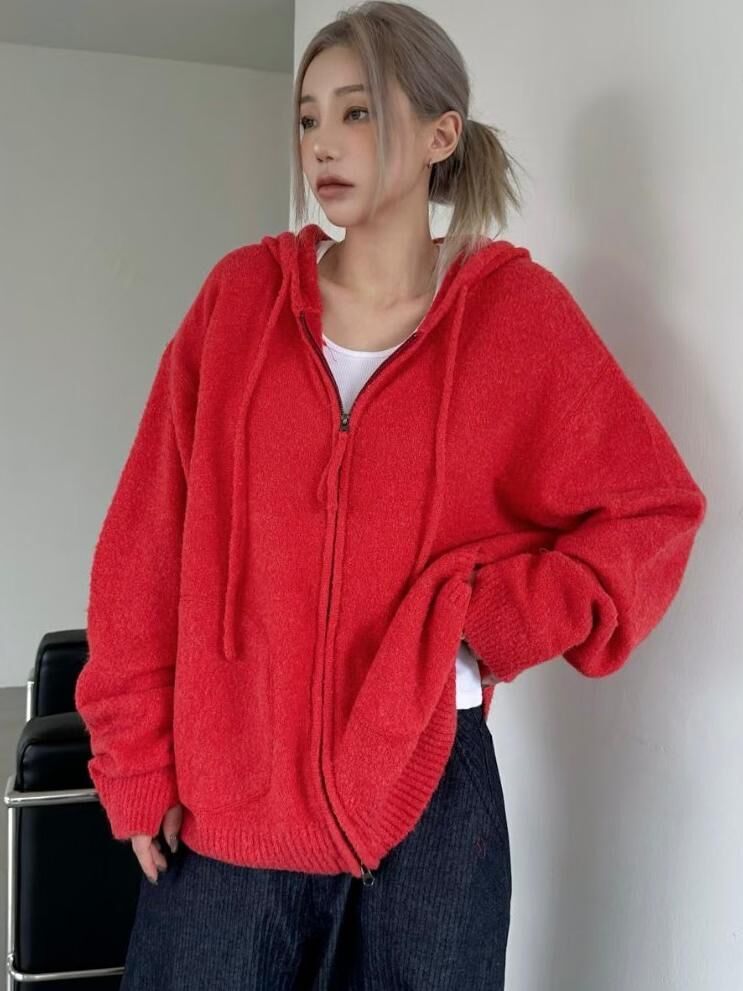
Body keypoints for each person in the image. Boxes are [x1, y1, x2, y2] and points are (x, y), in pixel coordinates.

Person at [73, 2, 707, 988]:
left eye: (357, 112)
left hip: (429, 805)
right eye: (308, 117)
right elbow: (144, 545)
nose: (322, 144)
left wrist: (484, 618)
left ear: (440, 134)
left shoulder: (514, 317)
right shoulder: (238, 304)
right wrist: (134, 761)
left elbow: (650, 510)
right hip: (230, 794)